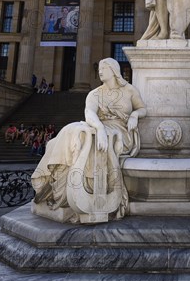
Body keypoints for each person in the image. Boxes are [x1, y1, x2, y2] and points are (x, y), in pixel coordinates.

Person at [32, 58, 147, 222]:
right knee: (73, 130)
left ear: (114, 70)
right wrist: (99, 128)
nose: (100, 71)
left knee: (88, 138)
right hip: (99, 127)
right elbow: (90, 113)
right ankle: (59, 185)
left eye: (103, 68)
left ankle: (88, 193)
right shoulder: (95, 93)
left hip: (121, 132)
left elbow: (142, 108)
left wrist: (135, 115)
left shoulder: (129, 90)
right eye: (99, 68)